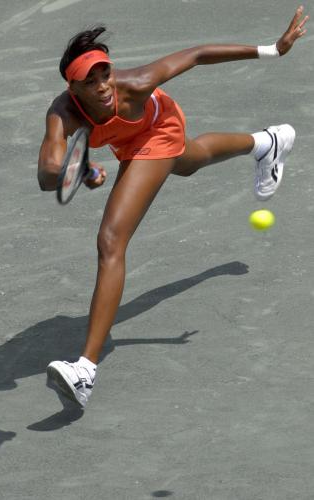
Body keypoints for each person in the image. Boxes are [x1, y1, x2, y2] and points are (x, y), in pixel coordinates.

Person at [38, 7, 309, 408]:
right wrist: (72, 173)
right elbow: (47, 174)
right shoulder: (62, 114)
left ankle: (85, 371)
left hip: (158, 126)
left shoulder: (136, 84)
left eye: (104, 74)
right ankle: (267, 142)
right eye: (89, 81)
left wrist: (273, 49)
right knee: (191, 160)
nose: (101, 86)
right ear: (72, 89)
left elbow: (197, 54)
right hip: (127, 139)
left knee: (111, 240)